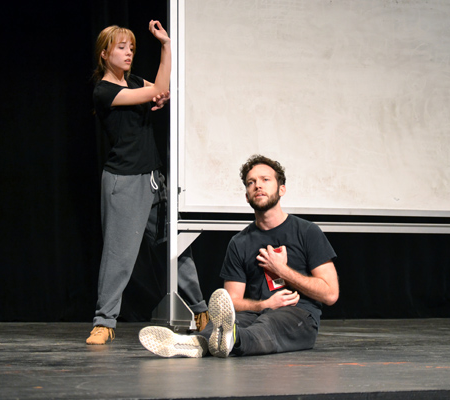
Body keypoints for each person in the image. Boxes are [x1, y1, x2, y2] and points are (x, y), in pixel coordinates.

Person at [139, 154, 339, 357]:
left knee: (268, 324)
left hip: (298, 315)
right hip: (256, 312)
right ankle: (193, 344)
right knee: (224, 325)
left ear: (281, 189)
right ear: (246, 196)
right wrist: (264, 304)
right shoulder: (240, 242)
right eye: (251, 183)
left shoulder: (307, 232)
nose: (257, 186)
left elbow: (330, 294)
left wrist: (282, 271)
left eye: (265, 180)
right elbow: (233, 300)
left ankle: (228, 340)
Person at [86, 22, 208, 345]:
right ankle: (104, 321)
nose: (128, 53)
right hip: (123, 181)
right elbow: (156, 91)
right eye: (121, 47)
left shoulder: (134, 81)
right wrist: (158, 88)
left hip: (153, 178)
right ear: (104, 53)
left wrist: (166, 48)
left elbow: (161, 87)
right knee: (119, 254)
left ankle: (199, 309)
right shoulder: (104, 90)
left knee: (175, 246)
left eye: (131, 48)